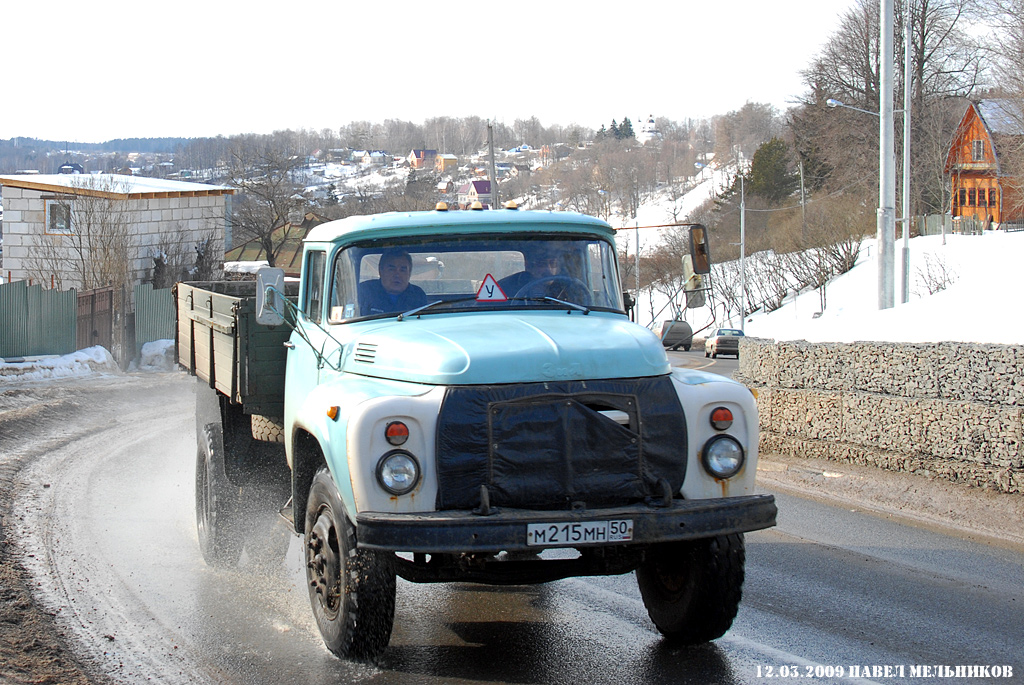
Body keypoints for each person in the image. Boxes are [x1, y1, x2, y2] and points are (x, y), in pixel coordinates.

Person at [358, 248, 427, 316]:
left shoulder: (418, 295)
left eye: (402, 270)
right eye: (391, 269)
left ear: (409, 273)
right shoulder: (365, 292)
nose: (397, 275)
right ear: (381, 270)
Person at [498, 244, 563, 297]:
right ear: (529, 266)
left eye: (553, 263)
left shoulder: (566, 287)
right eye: (542, 264)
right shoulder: (506, 287)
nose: (549, 270)